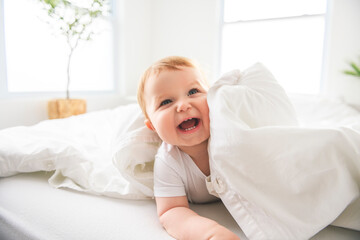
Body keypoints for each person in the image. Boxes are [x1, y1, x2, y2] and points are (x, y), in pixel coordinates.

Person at [137, 56, 240, 239]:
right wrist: (210, 233)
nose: (183, 105)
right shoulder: (169, 161)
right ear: (153, 126)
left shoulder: (231, 136)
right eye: (166, 102)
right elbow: (172, 211)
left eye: (193, 91)